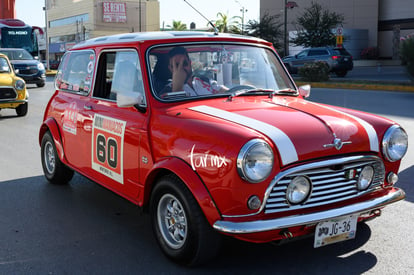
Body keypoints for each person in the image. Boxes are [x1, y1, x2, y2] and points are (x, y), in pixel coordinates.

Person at [161, 46, 228, 96]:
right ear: (170, 68)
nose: (181, 68)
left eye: (184, 63)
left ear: (190, 63)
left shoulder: (204, 80)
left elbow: (227, 92)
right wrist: (177, 87)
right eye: (176, 65)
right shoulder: (167, 90)